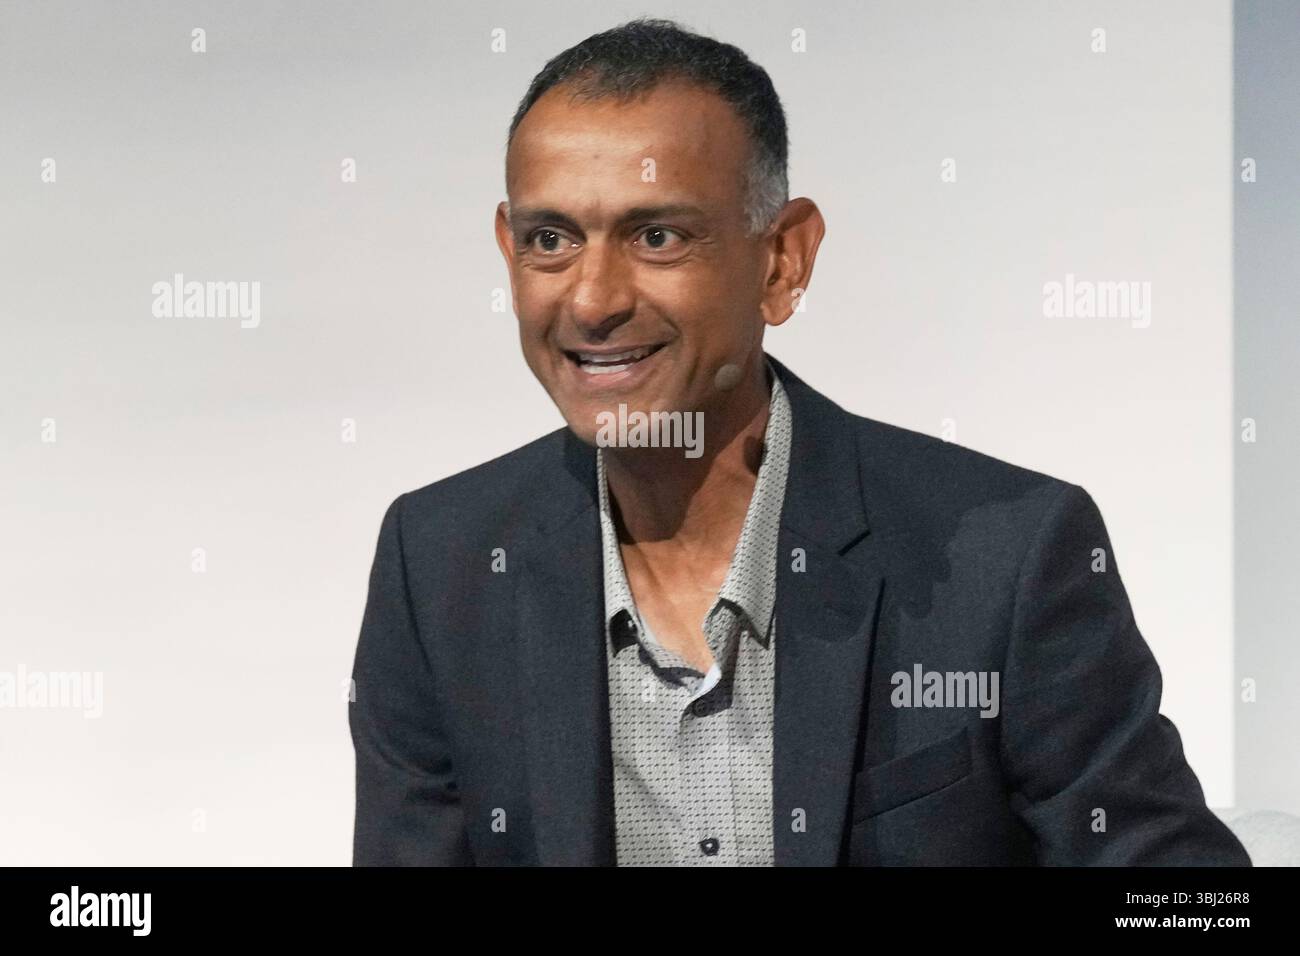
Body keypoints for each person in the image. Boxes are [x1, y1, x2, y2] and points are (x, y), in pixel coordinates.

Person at [348, 17, 1250, 866]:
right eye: (551, 239)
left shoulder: (1006, 553)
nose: (590, 300)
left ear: (783, 261)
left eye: (656, 235)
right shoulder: (440, 565)